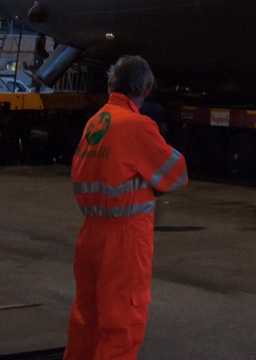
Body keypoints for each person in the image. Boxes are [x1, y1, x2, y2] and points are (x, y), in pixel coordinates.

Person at [65, 55, 187, 360]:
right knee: (122, 327)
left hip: (90, 236)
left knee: (86, 322)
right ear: (147, 88)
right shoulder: (137, 126)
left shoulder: (96, 122)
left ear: (112, 83)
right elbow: (177, 175)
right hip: (124, 242)